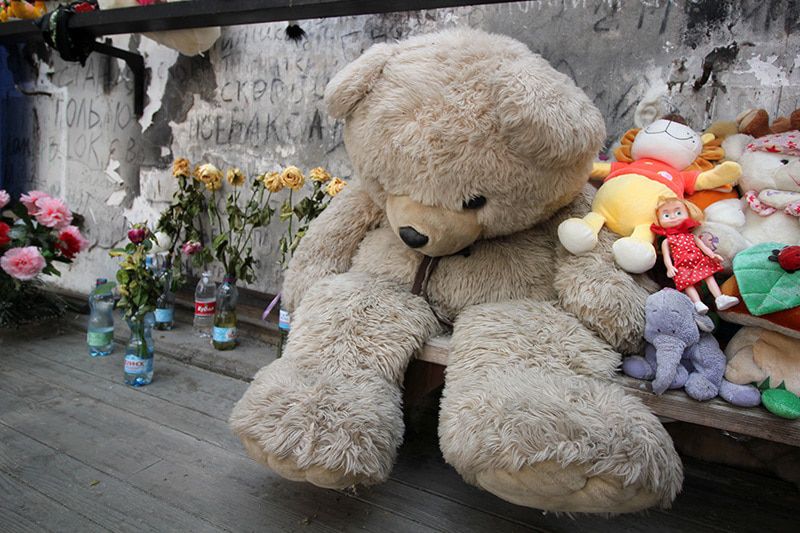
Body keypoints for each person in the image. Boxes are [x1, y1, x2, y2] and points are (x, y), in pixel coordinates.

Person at [651, 196, 740, 314]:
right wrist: (669, 267)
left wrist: (712, 255)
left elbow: (703, 247)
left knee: (709, 276)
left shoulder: (691, 236)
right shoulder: (667, 241)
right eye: (666, 215)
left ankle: (720, 298)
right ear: (658, 220)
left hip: (699, 260)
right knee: (688, 284)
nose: (673, 217)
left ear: (688, 213)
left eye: (678, 213)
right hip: (682, 266)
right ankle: (697, 303)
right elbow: (666, 256)